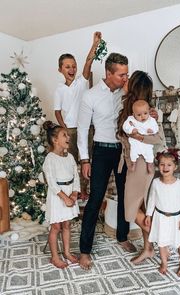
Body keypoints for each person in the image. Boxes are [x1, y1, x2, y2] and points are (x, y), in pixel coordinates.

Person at [77, 52, 136, 270]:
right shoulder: (90, 96)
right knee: (95, 200)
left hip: (122, 151)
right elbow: (83, 131)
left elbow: (141, 113)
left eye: (126, 74)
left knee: (124, 195)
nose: (125, 78)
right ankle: (84, 251)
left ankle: (122, 236)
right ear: (108, 73)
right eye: (121, 74)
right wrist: (85, 159)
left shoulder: (126, 93)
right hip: (100, 151)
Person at [117, 70, 160, 264]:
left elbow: (156, 138)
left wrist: (140, 135)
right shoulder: (132, 108)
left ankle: (159, 234)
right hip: (134, 162)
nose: (125, 81)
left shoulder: (146, 113)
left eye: (129, 80)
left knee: (130, 209)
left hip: (141, 164)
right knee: (141, 205)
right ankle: (148, 249)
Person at [54, 32, 101, 200]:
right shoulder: (59, 89)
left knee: (86, 160)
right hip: (70, 131)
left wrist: (94, 44)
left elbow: (88, 62)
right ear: (60, 70)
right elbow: (57, 111)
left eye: (73, 66)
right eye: (67, 67)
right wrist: (64, 128)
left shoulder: (82, 82)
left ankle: (85, 190)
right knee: (71, 163)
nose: (71, 69)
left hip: (86, 128)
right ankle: (74, 190)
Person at [145, 150, 180, 276]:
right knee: (162, 241)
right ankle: (164, 263)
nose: (165, 167)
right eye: (162, 164)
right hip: (160, 217)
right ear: (158, 166)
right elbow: (152, 199)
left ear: (175, 167)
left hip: (176, 218)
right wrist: (149, 214)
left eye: (169, 165)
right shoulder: (155, 182)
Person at [43, 121, 80, 269]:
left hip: (70, 194)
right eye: (64, 135)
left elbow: (75, 176)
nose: (68, 137)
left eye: (68, 135)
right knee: (56, 227)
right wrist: (65, 198)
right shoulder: (50, 159)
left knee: (67, 224)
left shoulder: (70, 157)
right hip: (57, 196)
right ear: (55, 140)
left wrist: (75, 194)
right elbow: (52, 183)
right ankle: (55, 257)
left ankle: (67, 252)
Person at [123, 99, 158, 173]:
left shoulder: (151, 120)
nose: (143, 116)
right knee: (133, 153)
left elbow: (156, 128)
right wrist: (131, 129)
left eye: (145, 113)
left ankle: (149, 165)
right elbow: (125, 126)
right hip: (135, 142)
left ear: (148, 111)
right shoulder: (131, 119)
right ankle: (133, 164)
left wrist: (152, 130)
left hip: (146, 143)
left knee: (149, 154)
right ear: (133, 114)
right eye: (139, 115)